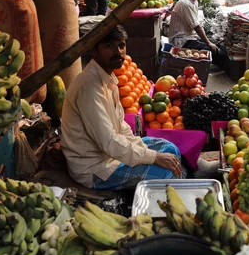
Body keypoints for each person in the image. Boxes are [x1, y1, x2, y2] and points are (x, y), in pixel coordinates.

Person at [61, 25, 183, 190]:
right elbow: (109, 142)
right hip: (96, 168)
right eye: (109, 46)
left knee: (170, 149)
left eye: (121, 45)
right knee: (164, 174)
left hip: (112, 154)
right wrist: (153, 157)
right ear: (94, 51)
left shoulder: (107, 78)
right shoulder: (88, 87)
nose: (118, 52)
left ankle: (182, 180)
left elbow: (120, 127)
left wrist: (146, 151)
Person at [168, 0, 226, 67]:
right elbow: (197, 27)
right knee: (213, 51)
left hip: (190, 36)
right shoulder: (185, 3)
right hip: (181, 40)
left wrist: (209, 42)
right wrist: (208, 43)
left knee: (218, 44)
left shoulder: (193, 1)